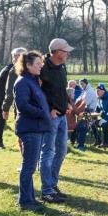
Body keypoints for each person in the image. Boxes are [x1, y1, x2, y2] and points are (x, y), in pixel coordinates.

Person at [13, 51, 51, 212]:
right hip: (30, 129)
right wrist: (42, 113)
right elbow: (23, 105)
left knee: (30, 166)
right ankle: (25, 201)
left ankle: (30, 198)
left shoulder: (34, 81)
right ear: (28, 66)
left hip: (37, 128)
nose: (41, 66)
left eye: (41, 63)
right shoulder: (22, 82)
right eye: (37, 64)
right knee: (28, 167)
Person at [39, 38, 74, 203]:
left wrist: (66, 102)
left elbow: (61, 88)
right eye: (65, 51)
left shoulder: (62, 67)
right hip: (50, 117)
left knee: (61, 151)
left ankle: (52, 185)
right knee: (48, 152)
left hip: (62, 115)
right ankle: (46, 190)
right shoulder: (42, 67)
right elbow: (37, 93)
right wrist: (48, 109)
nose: (68, 53)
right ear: (58, 52)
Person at [0, 47, 26, 149]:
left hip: (20, 108)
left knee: (22, 135)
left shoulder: (14, 70)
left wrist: (5, 109)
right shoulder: (35, 67)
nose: (13, 59)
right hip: (37, 107)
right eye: (13, 56)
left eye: (14, 56)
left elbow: (10, 92)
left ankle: (26, 163)